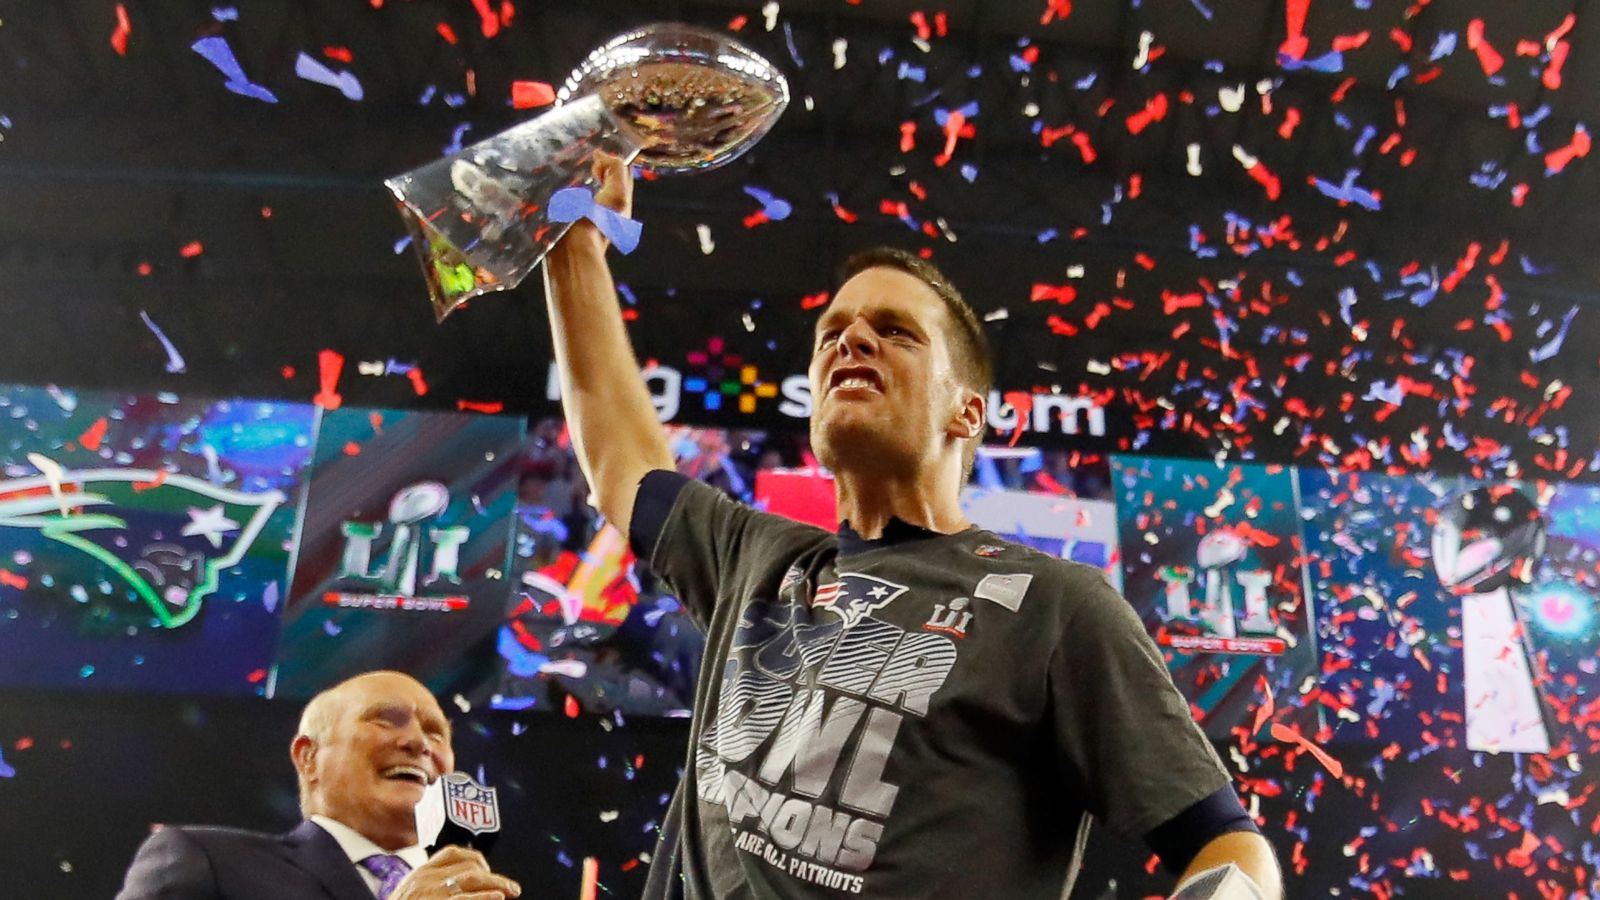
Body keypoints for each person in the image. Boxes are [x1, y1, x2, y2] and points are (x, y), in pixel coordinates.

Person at [542, 153, 1283, 898]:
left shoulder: (1056, 608)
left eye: (895, 331)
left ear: (968, 411)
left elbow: (1228, 846)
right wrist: (576, 244)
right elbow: (618, 458)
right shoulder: (755, 559)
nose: (850, 339)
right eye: (832, 331)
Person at [116, 671, 521, 900]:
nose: (417, 742)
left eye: (436, 734)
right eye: (385, 719)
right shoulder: (209, 861)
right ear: (309, 757)